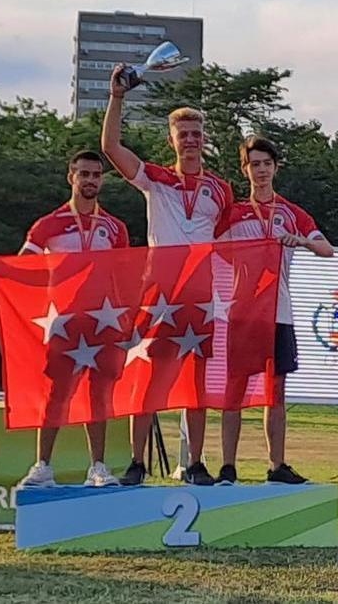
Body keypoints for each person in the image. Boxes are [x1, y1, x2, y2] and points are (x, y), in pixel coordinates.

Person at [101, 65, 234, 486]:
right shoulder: (155, 179)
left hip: (201, 295)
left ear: (204, 140)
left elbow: (232, 240)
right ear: (171, 140)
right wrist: (117, 98)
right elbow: (110, 147)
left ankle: (195, 464)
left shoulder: (221, 189)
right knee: (149, 377)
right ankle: (137, 463)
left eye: (197, 133)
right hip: (159, 293)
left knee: (196, 384)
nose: (191, 140)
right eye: (184, 134)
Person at [213, 136, 334, 484]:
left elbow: (326, 250)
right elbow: (213, 250)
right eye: (254, 164)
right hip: (243, 312)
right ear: (245, 169)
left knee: (275, 390)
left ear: (276, 167)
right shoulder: (233, 213)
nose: (261, 170)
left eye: (267, 163)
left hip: (279, 312)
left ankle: (276, 465)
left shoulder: (292, 213)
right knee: (234, 388)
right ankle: (228, 466)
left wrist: (303, 241)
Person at [8, 151, 129, 488]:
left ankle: (99, 467)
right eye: (84, 174)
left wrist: (126, 321)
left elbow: (123, 278)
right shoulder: (49, 224)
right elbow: (25, 268)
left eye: (96, 175)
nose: (90, 180)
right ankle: (43, 466)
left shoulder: (115, 228)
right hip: (64, 321)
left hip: (103, 321)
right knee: (56, 394)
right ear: (70, 177)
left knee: (99, 394)